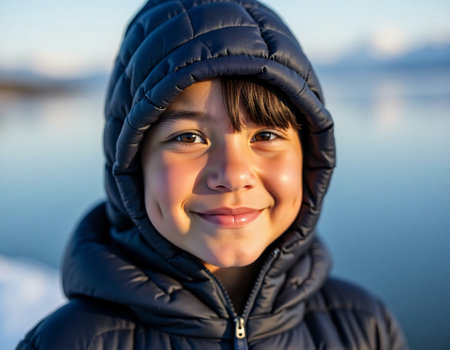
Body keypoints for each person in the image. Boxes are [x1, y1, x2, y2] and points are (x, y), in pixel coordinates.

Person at [17, 0, 408, 349]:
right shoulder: (67, 341)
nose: (234, 175)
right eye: (189, 137)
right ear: (132, 166)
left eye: (266, 134)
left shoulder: (363, 326)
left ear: (310, 157)